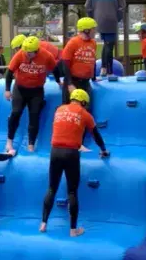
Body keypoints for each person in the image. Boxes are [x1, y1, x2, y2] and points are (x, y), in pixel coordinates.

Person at [40, 89, 110, 237]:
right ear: (84, 102)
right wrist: (103, 150)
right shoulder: (85, 114)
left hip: (55, 151)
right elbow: (96, 135)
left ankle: (44, 223)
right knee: (72, 191)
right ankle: (73, 230)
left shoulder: (59, 109)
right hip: (71, 153)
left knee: (52, 188)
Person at [4, 36, 60, 153]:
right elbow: (9, 72)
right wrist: (7, 90)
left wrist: (59, 81)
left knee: (34, 116)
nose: (27, 55)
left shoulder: (46, 56)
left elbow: (55, 69)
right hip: (20, 88)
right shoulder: (20, 54)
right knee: (16, 112)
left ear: (36, 51)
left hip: (36, 91)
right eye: (26, 52)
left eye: (30, 53)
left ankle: (31, 144)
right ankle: (9, 141)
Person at [85, 0, 125, 77]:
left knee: (106, 43)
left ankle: (103, 68)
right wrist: (118, 18)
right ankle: (109, 71)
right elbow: (122, 5)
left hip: (98, 19)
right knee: (110, 45)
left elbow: (88, 6)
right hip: (111, 18)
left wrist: (93, 19)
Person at [61, 18, 98, 108]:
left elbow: (92, 61)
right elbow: (65, 63)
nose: (95, 31)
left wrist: (94, 78)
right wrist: (69, 84)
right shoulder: (73, 43)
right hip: (73, 81)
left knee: (86, 109)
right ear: (86, 30)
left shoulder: (93, 43)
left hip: (85, 82)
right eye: (93, 29)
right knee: (71, 109)